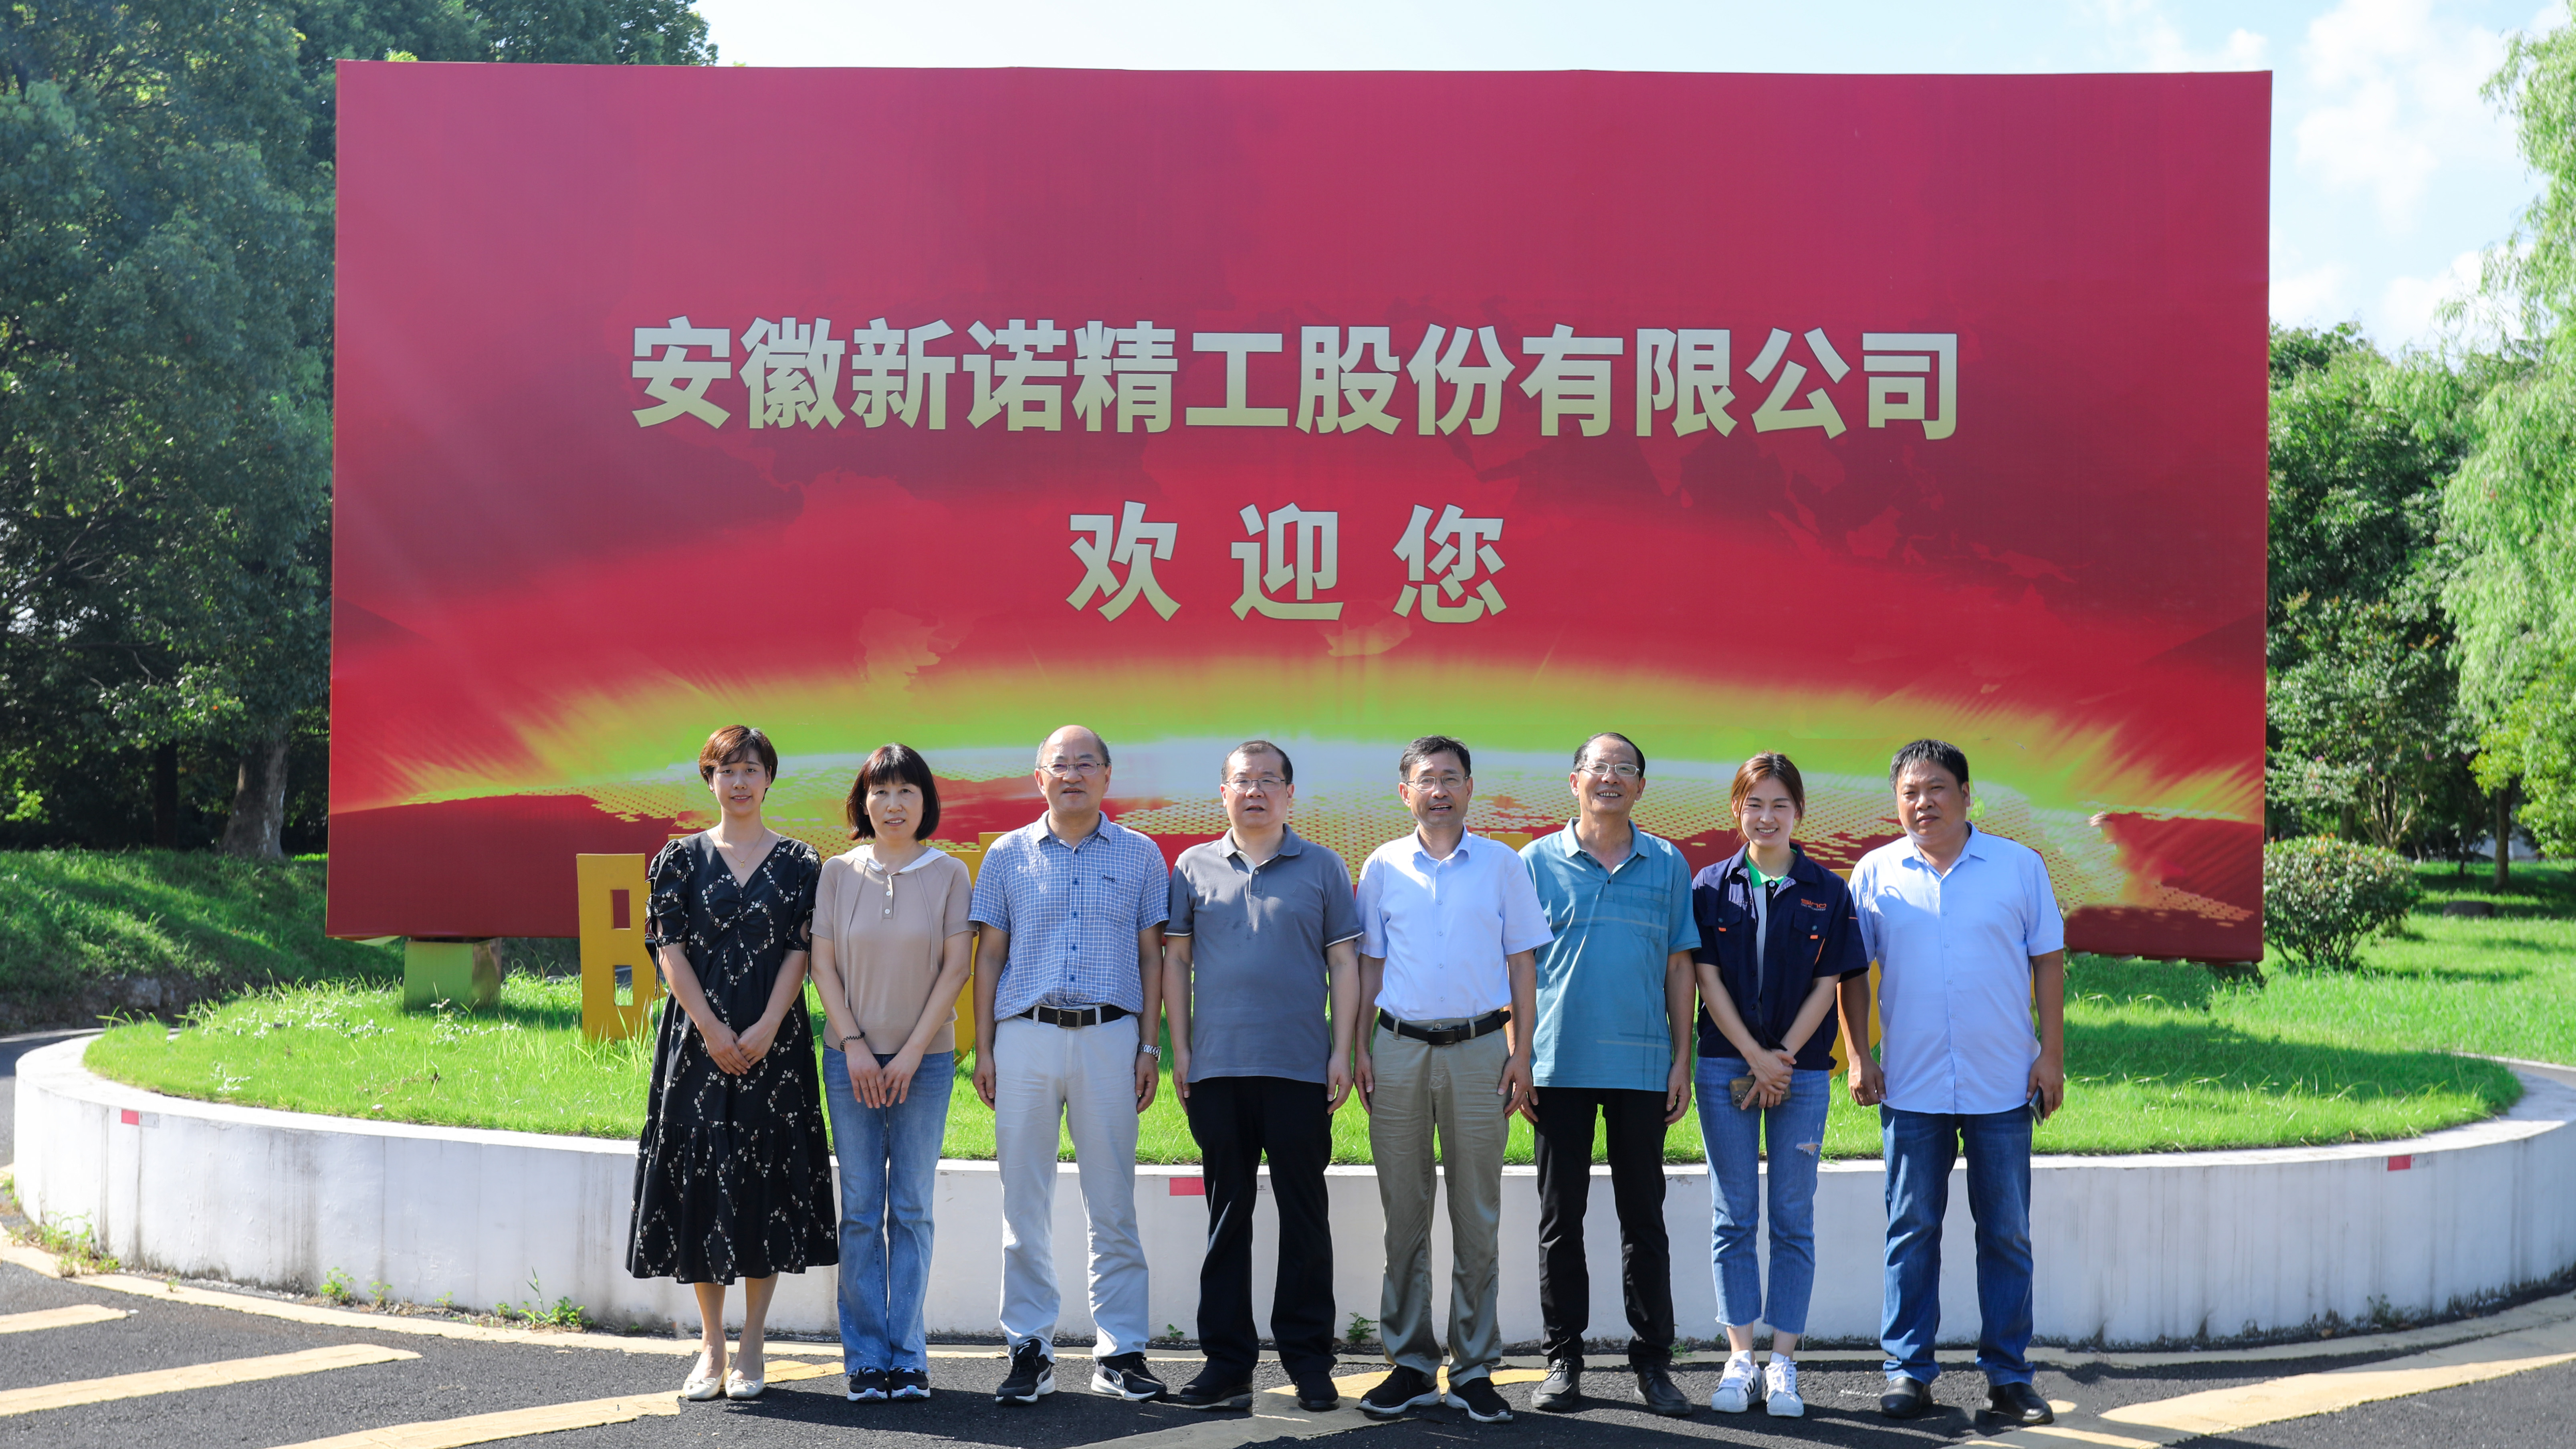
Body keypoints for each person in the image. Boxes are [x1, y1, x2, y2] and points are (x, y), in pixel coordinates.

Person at [1845, 739, 2066, 1428]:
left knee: (2006, 1233)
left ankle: (2009, 1377)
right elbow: (1853, 974)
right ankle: (1908, 1371)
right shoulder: (1876, 873)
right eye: (1910, 792)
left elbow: (2048, 960)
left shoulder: (2018, 867)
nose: (1924, 803)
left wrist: (2051, 1055)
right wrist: (1858, 1055)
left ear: (1967, 795)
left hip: (2003, 1081)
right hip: (1910, 1085)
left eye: (1937, 788)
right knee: (1911, 1229)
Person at [626, 724, 837, 1403]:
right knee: (703, 1181)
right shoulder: (679, 859)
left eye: (751, 770)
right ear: (709, 780)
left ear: (769, 779)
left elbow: (802, 950)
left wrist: (770, 1023)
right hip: (697, 1045)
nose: (740, 782)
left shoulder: (801, 862)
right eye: (727, 770)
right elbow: (669, 949)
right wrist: (712, 1028)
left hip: (776, 1045)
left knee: (764, 1183)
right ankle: (712, 1343)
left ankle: (753, 1342)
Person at [969, 724, 1170, 1406]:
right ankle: (1029, 1347)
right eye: (1060, 764)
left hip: (1111, 1037)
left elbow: (1152, 958)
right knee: (1023, 1202)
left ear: (1108, 776)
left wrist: (1149, 1047)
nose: (1073, 774)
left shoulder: (1142, 855)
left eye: (1087, 763)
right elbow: (990, 957)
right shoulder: (1007, 854)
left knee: (1112, 1201)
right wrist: (985, 1048)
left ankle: (1121, 1352)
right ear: (1040, 777)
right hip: (1025, 1035)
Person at [1353, 735, 1551, 1425]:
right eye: (1426, 779)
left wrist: (1522, 1053)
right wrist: (1359, 1050)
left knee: (1476, 1214)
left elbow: (1523, 965)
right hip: (1398, 1049)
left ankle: (1473, 1369)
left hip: (1479, 1052)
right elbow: (1369, 967)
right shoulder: (1383, 865)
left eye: (1451, 778)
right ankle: (1410, 1364)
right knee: (1404, 1215)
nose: (1438, 790)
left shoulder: (1502, 865)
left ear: (1470, 788)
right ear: (1405, 792)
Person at [1161, 741, 1361, 1414]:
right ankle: (1226, 1363)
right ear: (1223, 793)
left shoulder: (1323, 867)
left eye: (1269, 781)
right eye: (1243, 781)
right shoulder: (1192, 866)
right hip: (1217, 1067)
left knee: (1305, 1216)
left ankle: (1309, 1361)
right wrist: (1180, 1049)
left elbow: (1345, 965)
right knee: (1227, 1215)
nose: (1256, 792)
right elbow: (1176, 962)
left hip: (1300, 1068)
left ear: (1289, 794)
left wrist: (1342, 1050)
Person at [1516, 733, 1698, 1418]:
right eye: (1599, 768)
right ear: (1575, 781)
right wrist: (1520, 1055)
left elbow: (1679, 965)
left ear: (1641, 787)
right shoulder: (1535, 862)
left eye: (1626, 769)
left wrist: (1681, 1059)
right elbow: (1519, 967)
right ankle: (1563, 1359)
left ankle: (1653, 1362)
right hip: (1558, 1063)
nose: (1612, 778)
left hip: (1643, 1066)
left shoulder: (1667, 863)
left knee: (1643, 1219)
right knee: (1561, 1220)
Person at [1690, 753, 1867, 1419]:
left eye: (1780, 805)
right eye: (1754, 804)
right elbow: (1706, 978)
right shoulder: (1710, 886)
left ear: (1799, 812)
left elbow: (1831, 984)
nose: (1766, 817)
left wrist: (1783, 1058)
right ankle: (1741, 1358)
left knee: (1793, 1218)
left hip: (1802, 1072)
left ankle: (1783, 1362)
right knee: (1733, 1215)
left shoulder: (1827, 889)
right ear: (1737, 809)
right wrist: (1752, 1057)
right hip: (1724, 1065)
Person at [810, 743, 974, 1404]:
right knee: (859, 1211)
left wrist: (910, 1053)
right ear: (863, 802)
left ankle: (907, 1357)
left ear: (925, 802)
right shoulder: (837, 873)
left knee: (910, 1209)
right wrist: (854, 1044)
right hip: (847, 1060)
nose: (893, 803)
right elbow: (822, 965)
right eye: (881, 792)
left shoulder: (950, 874)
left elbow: (956, 969)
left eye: (907, 791)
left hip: (924, 1064)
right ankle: (866, 1358)